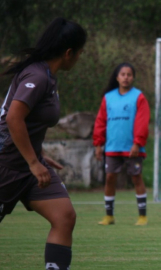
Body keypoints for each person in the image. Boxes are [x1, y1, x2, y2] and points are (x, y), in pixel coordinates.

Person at [0, 18, 86, 270]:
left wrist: (37, 157)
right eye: (80, 53)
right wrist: (32, 161)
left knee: (64, 216)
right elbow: (14, 117)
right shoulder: (37, 76)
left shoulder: (48, 76)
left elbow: (28, 123)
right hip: (7, 166)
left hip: (29, 168)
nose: (79, 58)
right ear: (69, 53)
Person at [93, 62, 150, 226]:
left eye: (129, 74)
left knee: (136, 178)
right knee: (110, 178)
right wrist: (98, 144)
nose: (126, 77)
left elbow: (142, 122)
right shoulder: (108, 97)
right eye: (123, 74)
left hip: (132, 148)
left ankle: (142, 216)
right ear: (117, 77)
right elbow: (101, 122)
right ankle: (109, 216)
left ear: (133, 78)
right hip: (112, 147)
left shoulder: (138, 97)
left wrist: (137, 143)